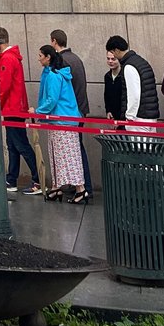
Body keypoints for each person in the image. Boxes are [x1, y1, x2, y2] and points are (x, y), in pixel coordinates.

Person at [36, 45, 87, 202]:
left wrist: (38, 111)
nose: (38, 59)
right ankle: (57, 187)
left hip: (61, 119)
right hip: (64, 119)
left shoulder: (53, 75)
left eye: (40, 56)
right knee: (60, 155)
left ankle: (80, 188)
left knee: (67, 156)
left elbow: (52, 99)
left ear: (48, 57)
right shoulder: (57, 73)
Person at [0, 27, 40, 195]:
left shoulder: (6, 59)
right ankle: (11, 178)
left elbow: (3, 87)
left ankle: (37, 178)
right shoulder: (12, 57)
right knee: (14, 145)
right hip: (14, 107)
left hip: (11, 108)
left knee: (20, 145)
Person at [50, 28, 92, 200]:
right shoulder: (76, 59)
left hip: (69, 114)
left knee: (75, 150)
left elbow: (62, 91)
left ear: (54, 42)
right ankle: (78, 185)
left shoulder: (62, 62)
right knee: (76, 149)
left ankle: (83, 186)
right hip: (79, 110)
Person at [103, 36, 160, 127]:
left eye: (113, 53)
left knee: (137, 141)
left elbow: (134, 95)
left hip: (138, 117)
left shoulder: (129, 66)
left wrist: (129, 117)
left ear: (117, 50)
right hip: (149, 115)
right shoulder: (140, 61)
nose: (113, 56)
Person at [103, 49, 126, 123]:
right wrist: (108, 110)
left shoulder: (124, 75)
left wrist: (120, 118)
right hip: (112, 116)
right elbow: (107, 95)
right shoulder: (107, 76)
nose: (110, 61)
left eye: (113, 59)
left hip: (124, 117)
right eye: (108, 59)